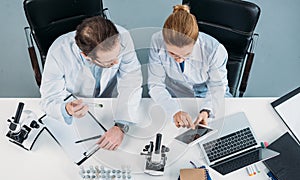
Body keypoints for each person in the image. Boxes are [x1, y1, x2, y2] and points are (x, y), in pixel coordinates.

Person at [40, 16, 142, 150]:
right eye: (109, 62)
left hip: (109, 104)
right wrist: (66, 109)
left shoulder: (122, 37)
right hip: (79, 110)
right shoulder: (59, 51)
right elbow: (49, 99)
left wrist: (121, 125)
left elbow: (131, 80)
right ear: (86, 56)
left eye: (118, 55)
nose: (117, 62)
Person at [148, 5, 232, 129]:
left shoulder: (214, 50)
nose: (179, 59)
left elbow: (217, 86)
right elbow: (155, 85)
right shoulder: (157, 41)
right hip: (177, 96)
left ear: (195, 41)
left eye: (186, 54)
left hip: (210, 97)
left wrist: (207, 111)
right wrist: (174, 111)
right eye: (172, 53)